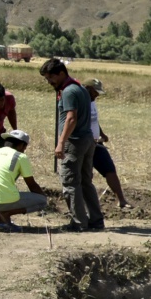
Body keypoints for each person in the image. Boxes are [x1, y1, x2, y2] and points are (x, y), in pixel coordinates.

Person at [38, 58, 104, 232]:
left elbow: (71, 118)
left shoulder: (68, 91)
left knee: (70, 183)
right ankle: (96, 220)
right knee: (85, 182)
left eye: (50, 78)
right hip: (87, 139)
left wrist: (61, 142)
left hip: (74, 142)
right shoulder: (80, 88)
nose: (49, 82)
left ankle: (78, 222)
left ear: (61, 74)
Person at [0, 129, 47, 232]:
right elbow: (31, 184)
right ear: (21, 145)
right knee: (42, 201)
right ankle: (5, 214)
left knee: (3, 192)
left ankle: (1, 221)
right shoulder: (20, 156)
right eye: (25, 147)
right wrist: (43, 197)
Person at [83, 79, 130, 210]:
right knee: (86, 175)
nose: (97, 95)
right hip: (84, 145)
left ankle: (121, 200)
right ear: (87, 88)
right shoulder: (81, 102)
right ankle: (85, 205)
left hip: (97, 144)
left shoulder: (92, 102)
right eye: (95, 92)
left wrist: (101, 134)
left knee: (110, 169)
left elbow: (94, 121)